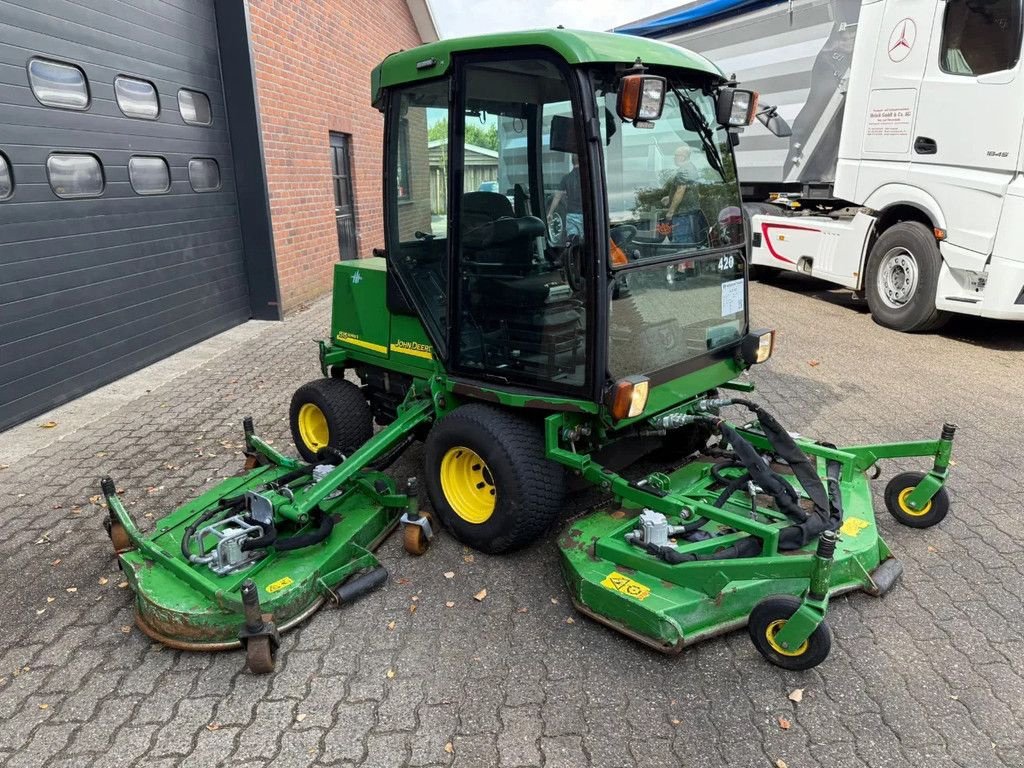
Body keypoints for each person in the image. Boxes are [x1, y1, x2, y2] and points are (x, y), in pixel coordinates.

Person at [664, 145, 708, 246]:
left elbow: (680, 190)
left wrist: (670, 211)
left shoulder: (683, 170)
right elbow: (690, 190)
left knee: (682, 244)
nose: (674, 158)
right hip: (690, 212)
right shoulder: (692, 167)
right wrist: (670, 198)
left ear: (682, 157)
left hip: (682, 214)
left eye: (676, 155)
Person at [547, 153, 584, 239]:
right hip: (585, 215)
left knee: (572, 241)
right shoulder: (587, 177)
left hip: (571, 215)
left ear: (572, 162)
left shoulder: (566, 178)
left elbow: (557, 197)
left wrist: (550, 213)